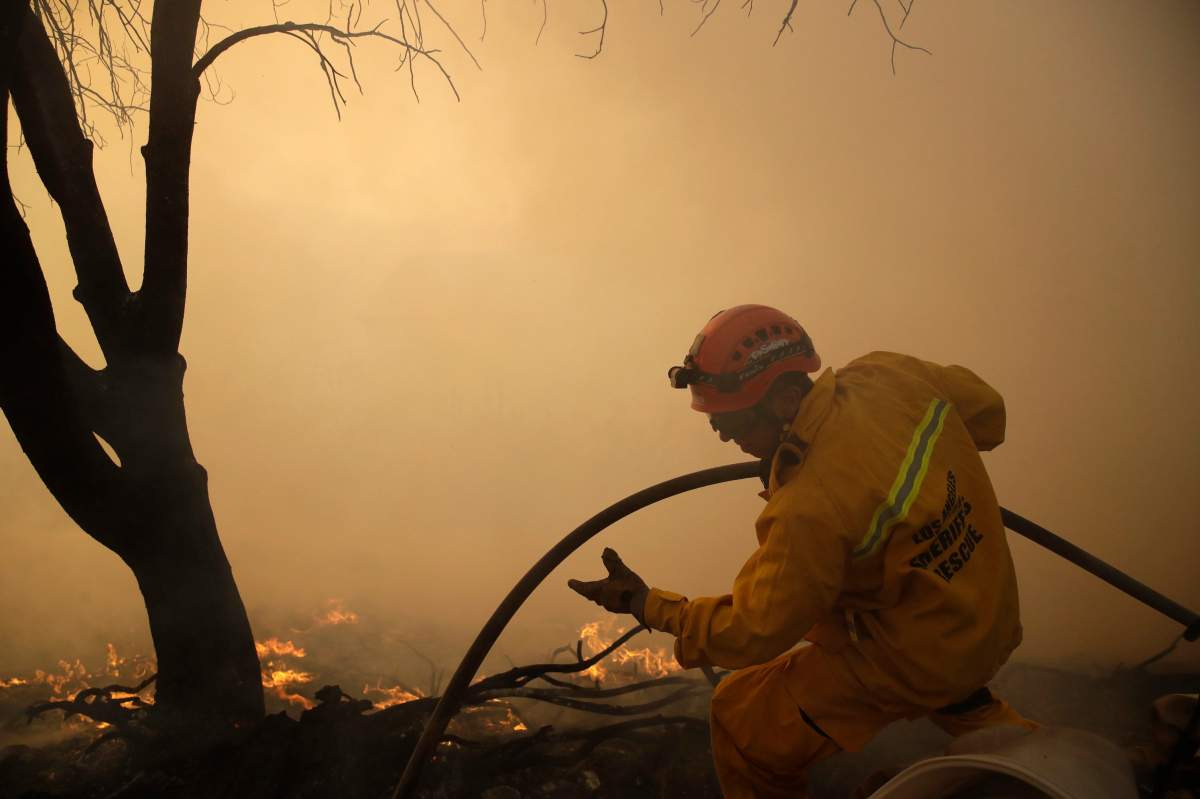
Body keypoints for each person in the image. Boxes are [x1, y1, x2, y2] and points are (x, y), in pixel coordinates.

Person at [568, 304, 1037, 799]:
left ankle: (959, 703)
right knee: (876, 613)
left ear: (787, 398)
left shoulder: (810, 506)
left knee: (738, 718)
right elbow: (989, 416)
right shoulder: (888, 374)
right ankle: (1025, 746)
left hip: (920, 655)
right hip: (985, 611)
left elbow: (752, 632)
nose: (724, 435)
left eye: (733, 422)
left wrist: (644, 604)